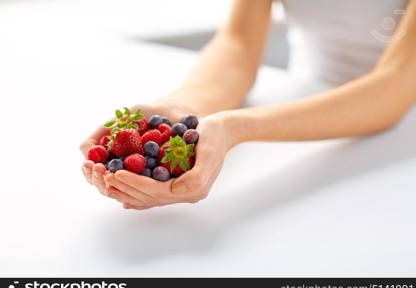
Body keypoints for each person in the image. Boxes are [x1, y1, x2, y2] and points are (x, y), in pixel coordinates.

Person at [81, 0, 416, 210]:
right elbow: (239, 43)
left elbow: (395, 86)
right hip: (304, 99)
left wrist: (236, 126)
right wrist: (179, 107)